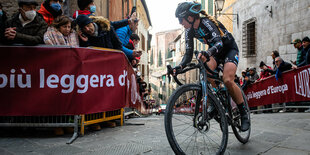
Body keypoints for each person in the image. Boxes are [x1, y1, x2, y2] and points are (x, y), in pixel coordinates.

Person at [174, 1, 249, 131]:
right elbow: (188, 54)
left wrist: (207, 52)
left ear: (190, 17)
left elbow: (219, 43)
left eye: (181, 19)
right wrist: (179, 67)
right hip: (215, 52)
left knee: (227, 79)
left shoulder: (206, 23)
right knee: (205, 70)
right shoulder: (189, 31)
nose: (180, 23)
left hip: (228, 49)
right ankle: (215, 101)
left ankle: (244, 114)